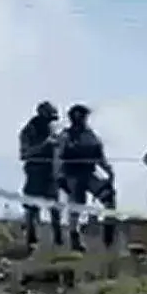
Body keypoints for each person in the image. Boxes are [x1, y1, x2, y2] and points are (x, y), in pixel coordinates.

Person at [56, 104, 116, 252]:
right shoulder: (65, 136)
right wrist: (59, 176)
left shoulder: (90, 135)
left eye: (83, 116)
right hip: (72, 175)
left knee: (109, 198)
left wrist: (109, 171)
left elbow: (99, 156)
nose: (82, 119)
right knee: (76, 206)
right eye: (80, 116)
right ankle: (74, 239)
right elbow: (57, 158)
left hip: (89, 174)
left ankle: (109, 237)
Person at [18, 101, 63, 250]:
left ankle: (58, 241)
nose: (51, 121)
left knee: (55, 208)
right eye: (49, 118)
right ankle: (31, 239)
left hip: (51, 173)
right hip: (35, 171)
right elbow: (24, 154)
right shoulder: (28, 130)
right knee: (32, 207)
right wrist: (44, 145)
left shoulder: (53, 129)